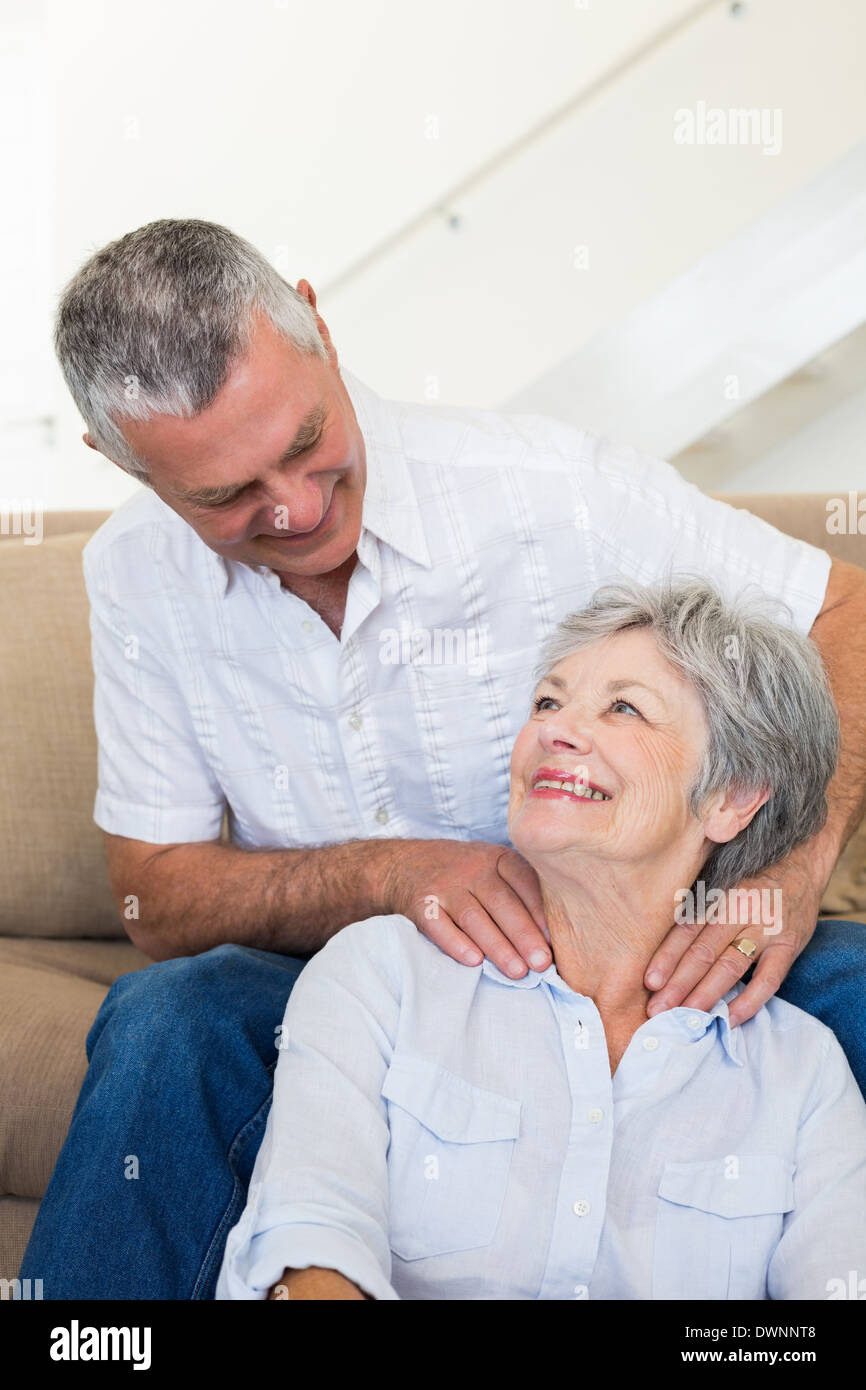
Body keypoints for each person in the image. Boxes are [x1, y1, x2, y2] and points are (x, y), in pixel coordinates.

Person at [19, 218, 866, 1299]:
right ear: (121, 463)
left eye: (304, 440)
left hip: (639, 941)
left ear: (318, 326)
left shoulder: (546, 488)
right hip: (339, 972)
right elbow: (153, 898)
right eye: (224, 497)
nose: (295, 506)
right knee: (165, 1020)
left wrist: (788, 874)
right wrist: (389, 876)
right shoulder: (134, 577)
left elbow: (845, 612)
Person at [217, 579, 866, 1301]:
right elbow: (310, 1245)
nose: (555, 730)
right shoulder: (379, 974)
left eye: (624, 707)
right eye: (547, 703)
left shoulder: (802, 1072)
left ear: (731, 797)